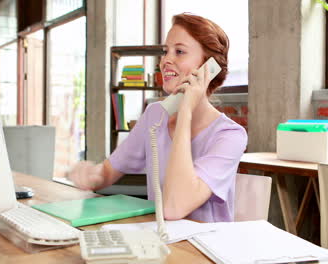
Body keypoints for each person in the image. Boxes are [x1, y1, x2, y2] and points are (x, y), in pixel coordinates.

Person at [69, 13, 247, 222]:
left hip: (206, 250)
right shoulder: (155, 115)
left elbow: (173, 208)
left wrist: (185, 112)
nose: (165, 60)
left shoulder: (230, 136)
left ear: (208, 68)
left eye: (179, 52)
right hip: (164, 244)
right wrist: (93, 175)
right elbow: (109, 171)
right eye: (166, 51)